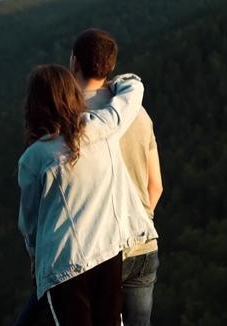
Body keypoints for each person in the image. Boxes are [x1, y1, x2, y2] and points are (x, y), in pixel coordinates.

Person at [17, 64, 158, 326]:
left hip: (64, 265)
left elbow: (30, 223)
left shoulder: (33, 159)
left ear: (34, 106)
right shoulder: (102, 128)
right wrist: (122, 80)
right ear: (73, 95)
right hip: (108, 253)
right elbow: (131, 97)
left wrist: (34, 255)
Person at [70, 29, 163, 326]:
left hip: (95, 252)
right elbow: (155, 186)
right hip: (143, 245)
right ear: (110, 66)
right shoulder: (139, 113)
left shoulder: (69, 120)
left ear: (74, 63)